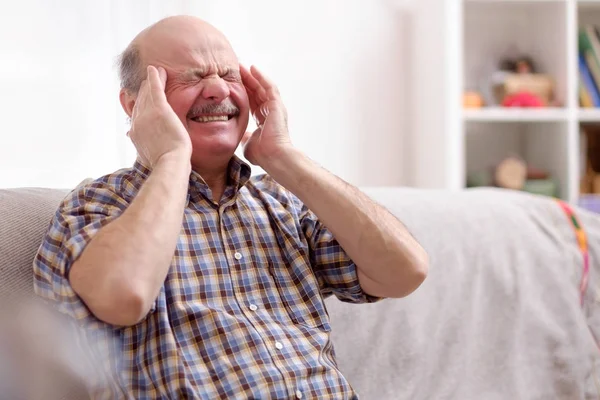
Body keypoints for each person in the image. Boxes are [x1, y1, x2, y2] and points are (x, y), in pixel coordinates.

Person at [33, 15, 428, 399]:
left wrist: (282, 155)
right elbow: (124, 297)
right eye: (192, 76)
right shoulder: (97, 204)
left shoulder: (280, 203)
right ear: (134, 103)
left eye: (229, 75)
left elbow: (405, 271)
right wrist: (172, 157)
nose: (218, 91)